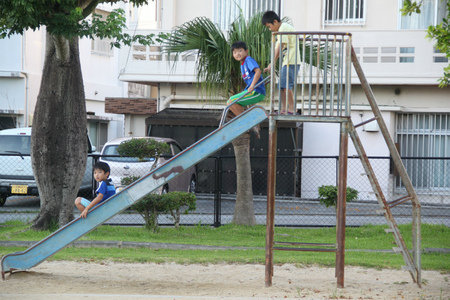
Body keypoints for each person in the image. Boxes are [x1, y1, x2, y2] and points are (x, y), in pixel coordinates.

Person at [262, 11, 300, 115]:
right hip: (287, 61)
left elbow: (279, 48)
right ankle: (284, 108)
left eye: (270, 27)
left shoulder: (284, 28)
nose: (270, 30)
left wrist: (272, 63)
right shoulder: (280, 31)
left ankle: (292, 108)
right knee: (282, 86)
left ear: (275, 21)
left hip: (292, 61)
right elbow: (278, 48)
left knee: (287, 85)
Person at [227, 41, 266, 118]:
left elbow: (258, 71)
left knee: (231, 101)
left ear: (246, 51)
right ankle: (245, 119)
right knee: (229, 102)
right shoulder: (242, 64)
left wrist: (252, 86)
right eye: (235, 52)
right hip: (252, 91)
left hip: (256, 91)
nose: (237, 54)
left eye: (240, 51)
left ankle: (245, 120)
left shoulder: (248, 60)